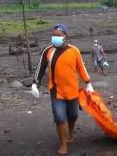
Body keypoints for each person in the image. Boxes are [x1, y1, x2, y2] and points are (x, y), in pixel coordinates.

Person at [30, 23, 94, 155]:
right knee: (59, 118)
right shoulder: (48, 51)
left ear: (65, 36)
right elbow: (40, 68)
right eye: (53, 35)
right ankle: (63, 144)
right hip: (56, 91)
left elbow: (81, 68)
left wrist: (88, 83)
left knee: (73, 115)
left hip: (72, 91)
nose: (55, 38)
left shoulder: (74, 50)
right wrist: (34, 84)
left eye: (58, 35)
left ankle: (70, 132)